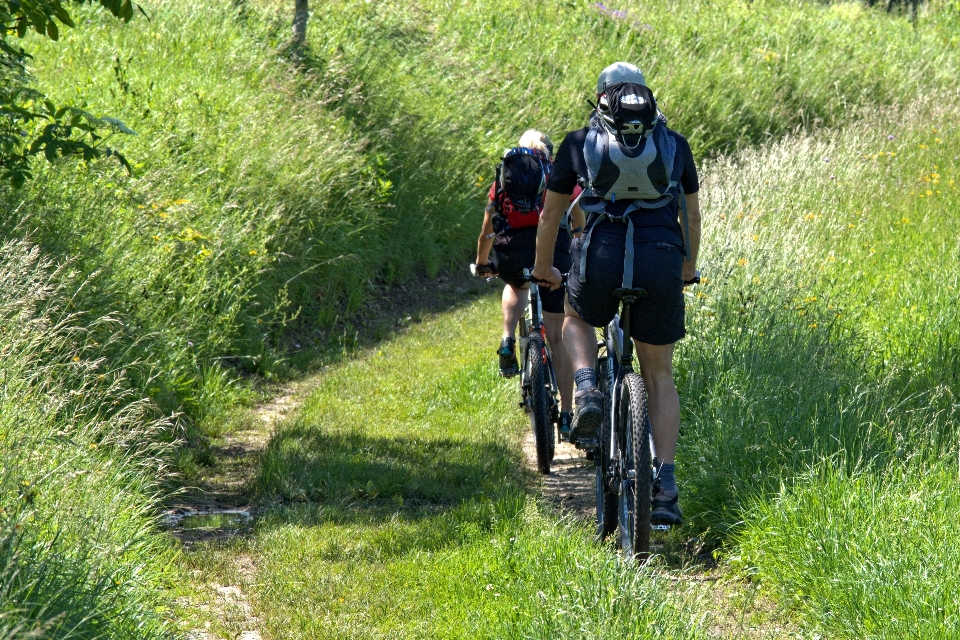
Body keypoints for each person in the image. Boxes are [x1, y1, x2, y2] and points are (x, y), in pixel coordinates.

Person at [531, 63, 701, 525]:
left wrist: (545, 268)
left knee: (576, 315)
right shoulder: (674, 143)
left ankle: (586, 389)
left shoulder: (577, 143)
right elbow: (692, 214)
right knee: (659, 375)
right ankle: (664, 485)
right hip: (661, 257)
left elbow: (551, 217)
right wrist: (686, 267)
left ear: (601, 98)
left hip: (603, 253)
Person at [473, 129, 583, 437]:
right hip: (554, 257)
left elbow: (487, 233)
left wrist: (483, 264)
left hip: (511, 253)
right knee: (558, 340)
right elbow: (578, 219)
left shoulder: (503, 182)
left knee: (516, 284)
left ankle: (508, 338)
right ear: (548, 152)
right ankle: (565, 414)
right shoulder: (559, 177)